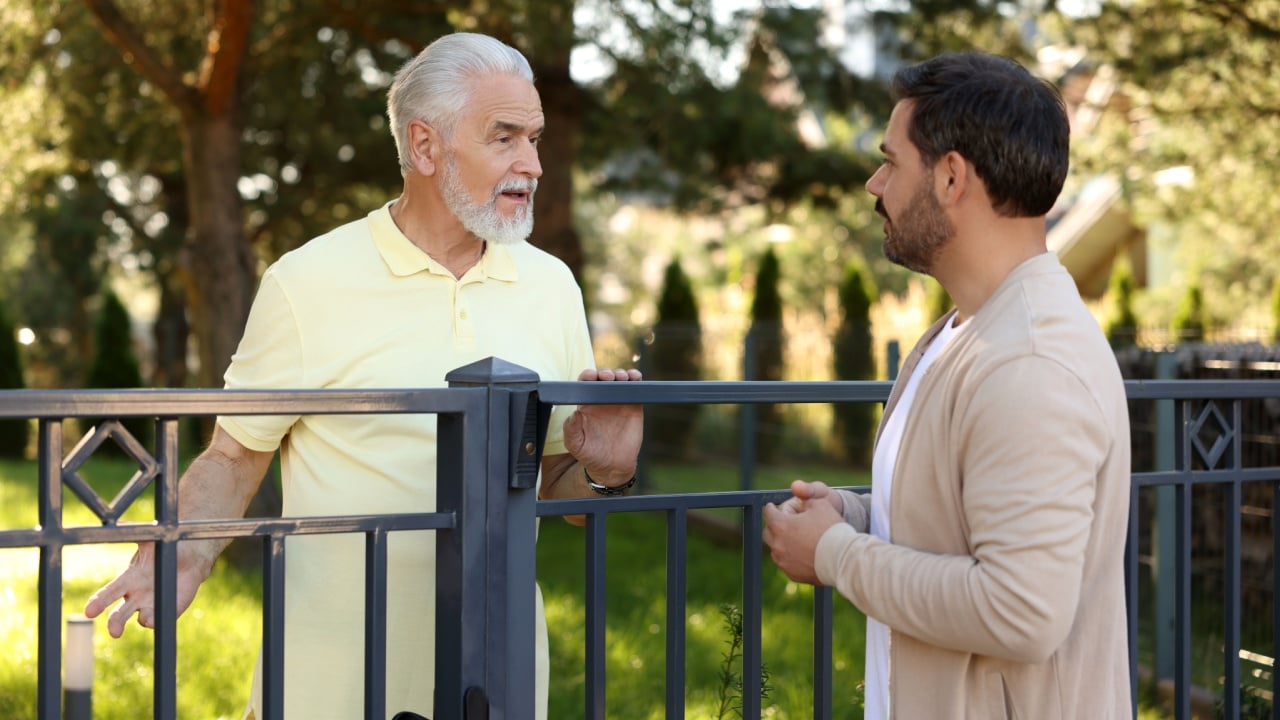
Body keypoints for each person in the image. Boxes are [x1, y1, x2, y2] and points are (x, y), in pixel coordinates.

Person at [85, 32, 644, 720]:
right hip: (331, 686)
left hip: (495, 683)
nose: (531, 162)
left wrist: (604, 471)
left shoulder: (552, 285)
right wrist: (188, 553)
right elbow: (235, 455)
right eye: (505, 138)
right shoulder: (306, 281)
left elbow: (551, 485)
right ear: (425, 145)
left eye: (534, 138)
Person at [762, 51, 1132, 719]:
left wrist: (836, 554)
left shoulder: (1031, 363)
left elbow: (1021, 612)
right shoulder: (966, 332)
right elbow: (962, 526)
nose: (876, 183)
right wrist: (857, 517)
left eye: (892, 161)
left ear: (952, 177)